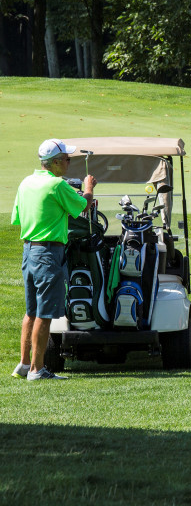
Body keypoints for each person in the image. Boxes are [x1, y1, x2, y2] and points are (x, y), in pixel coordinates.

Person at [11, 139, 97, 380]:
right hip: (48, 253)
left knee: (31, 310)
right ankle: (38, 370)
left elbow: (19, 218)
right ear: (56, 163)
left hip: (29, 251)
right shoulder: (57, 184)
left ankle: (25, 364)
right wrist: (89, 187)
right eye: (68, 159)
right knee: (45, 313)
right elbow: (83, 206)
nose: (69, 163)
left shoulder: (26, 182)